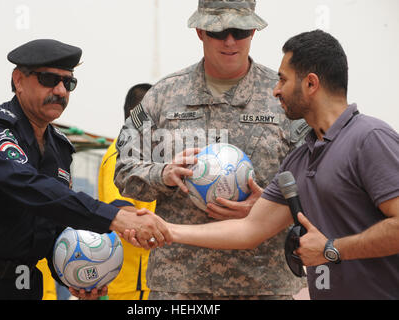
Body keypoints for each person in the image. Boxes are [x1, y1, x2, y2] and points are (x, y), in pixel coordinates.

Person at [136, 30, 399, 300]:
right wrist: (168, 229)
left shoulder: (369, 138)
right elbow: (249, 229)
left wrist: (332, 248)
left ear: (310, 84)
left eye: (283, 80)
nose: (275, 90)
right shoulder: (300, 159)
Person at [114, 0, 309, 300]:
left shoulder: (284, 96)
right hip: (180, 287)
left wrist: (268, 205)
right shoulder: (163, 96)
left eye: (240, 30)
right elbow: (124, 170)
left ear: (254, 30)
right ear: (200, 31)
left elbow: (317, 179)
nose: (230, 41)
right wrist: (163, 174)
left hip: (265, 284)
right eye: (219, 31)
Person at [0, 39, 171, 299]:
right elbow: (30, 188)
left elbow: (50, 224)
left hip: (24, 287)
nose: (61, 91)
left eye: (68, 83)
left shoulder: (59, 148)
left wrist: (72, 274)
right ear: (18, 80)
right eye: (48, 79)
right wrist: (115, 217)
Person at [98, 83, 154, 300]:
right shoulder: (120, 156)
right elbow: (124, 215)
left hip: (150, 283)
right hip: (132, 285)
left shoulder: (149, 156)